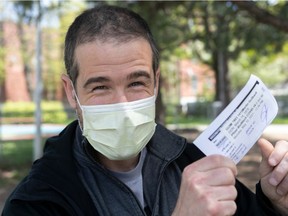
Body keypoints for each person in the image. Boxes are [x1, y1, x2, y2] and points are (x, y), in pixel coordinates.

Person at [2, 5, 288, 216]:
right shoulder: (36, 202)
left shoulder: (191, 162)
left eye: (137, 82)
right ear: (71, 92)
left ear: (156, 82)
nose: (124, 105)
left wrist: (273, 202)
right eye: (100, 87)